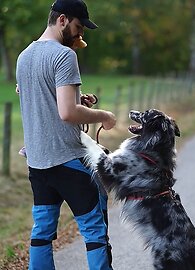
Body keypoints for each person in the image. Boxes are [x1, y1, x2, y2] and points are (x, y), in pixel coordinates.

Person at [15, 0, 115, 269]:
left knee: (42, 234)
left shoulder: (24, 56)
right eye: (78, 27)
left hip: (38, 163)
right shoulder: (64, 55)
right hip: (68, 159)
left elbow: (36, 98)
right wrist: (104, 116)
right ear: (62, 20)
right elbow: (68, 113)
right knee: (95, 231)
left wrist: (77, 98)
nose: (80, 34)